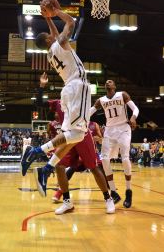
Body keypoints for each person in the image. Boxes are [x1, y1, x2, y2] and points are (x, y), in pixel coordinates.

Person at [21, 0, 91, 197]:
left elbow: (52, 35)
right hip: (78, 87)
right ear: (49, 40)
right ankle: (36, 151)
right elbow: (71, 22)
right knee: (78, 136)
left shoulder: (51, 53)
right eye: (51, 34)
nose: (53, 34)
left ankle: (46, 169)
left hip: (68, 90)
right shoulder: (59, 43)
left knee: (70, 140)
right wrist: (57, 11)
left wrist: (48, 18)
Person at [32, 73, 114, 214]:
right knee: (59, 166)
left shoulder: (80, 101)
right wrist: (42, 86)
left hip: (82, 135)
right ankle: (67, 202)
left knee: (94, 167)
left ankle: (108, 198)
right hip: (68, 137)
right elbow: (38, 103)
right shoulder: (58, 103)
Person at [90, 80, 139, 208]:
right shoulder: (101, 100)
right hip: (109, 130)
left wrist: (133, 117)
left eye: (110, 81)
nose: (108, 81)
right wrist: (80, 118)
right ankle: (113, 191)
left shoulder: (122, 95)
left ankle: (128, 191)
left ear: (114, 86)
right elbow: (89, 112)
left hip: (123, 128)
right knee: (104, 159)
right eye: (106, 82)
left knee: (125, 158)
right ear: (105, 87)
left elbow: (135, 108)